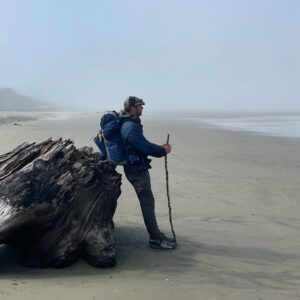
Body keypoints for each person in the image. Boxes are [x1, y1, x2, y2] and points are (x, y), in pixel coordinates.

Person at [120, 96, 176, 249]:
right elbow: (144, 147)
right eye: (140, 105)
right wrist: (162, 151)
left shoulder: (129, 124)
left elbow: (142, 145)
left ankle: (156, 235)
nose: (142, 108)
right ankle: (156, 239)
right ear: (132, 108)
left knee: (147, 201)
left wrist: (160, 149)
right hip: (136, 169)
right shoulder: (130, 127)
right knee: (147, 202)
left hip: (136, 167)